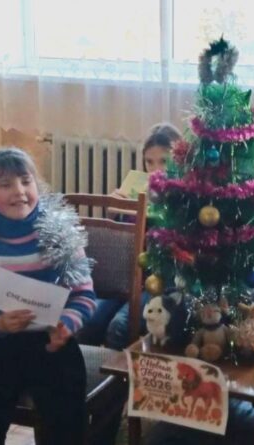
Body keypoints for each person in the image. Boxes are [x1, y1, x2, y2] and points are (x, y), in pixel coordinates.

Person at [0, 148, 96, 445]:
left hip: (48, 341)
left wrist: (66, 325)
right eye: (5, 185)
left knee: (66, 417)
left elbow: (84, 295)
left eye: (26, 181)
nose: (19, 192)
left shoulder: (59, 235)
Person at [78, 122, 183, 350]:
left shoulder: (184, 199)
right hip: (125, 279)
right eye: (149, 162)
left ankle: (120, 373)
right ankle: (89, 371)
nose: (155, 170)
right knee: (88, 322)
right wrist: (113, 213)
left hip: (158, 283)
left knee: (118, 327)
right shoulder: (138, 192)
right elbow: (118, 251)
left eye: (164, 161)